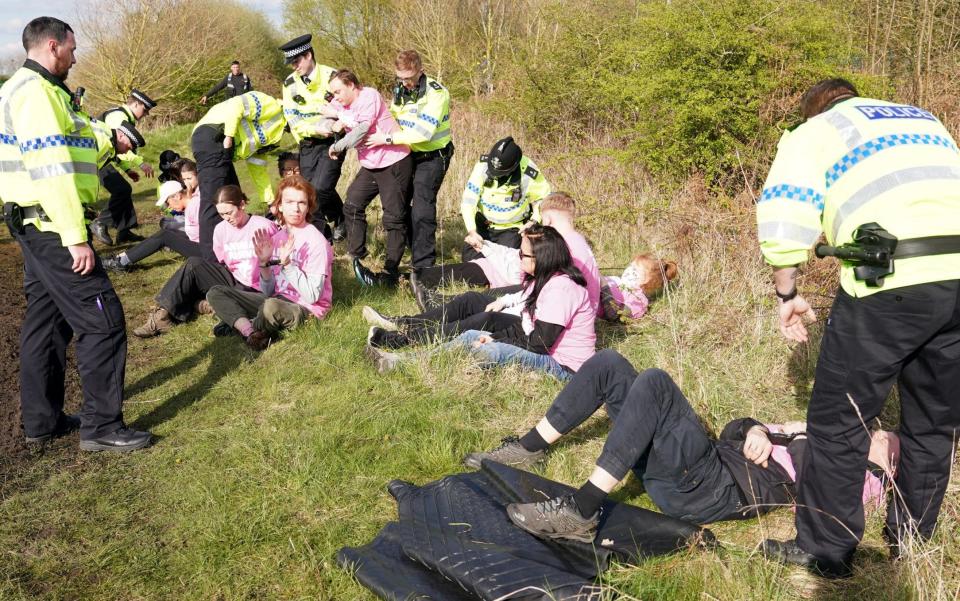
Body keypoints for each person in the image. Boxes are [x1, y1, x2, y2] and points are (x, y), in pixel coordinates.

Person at [754, 78, 960, 577]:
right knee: (933, 424)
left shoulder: (815, 131)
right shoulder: (922, 119)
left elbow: (784, 217)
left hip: (889, 279)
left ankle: (826, 550)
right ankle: (911, 542)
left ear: (813, 110)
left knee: (840, 420)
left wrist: (787, 292)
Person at [462, 351, 899, 544]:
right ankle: (528, 447)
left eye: (884, 442)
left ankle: (583, 508)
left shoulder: (860, 476)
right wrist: (757, 430)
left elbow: (832, 497)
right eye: (878, 430)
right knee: (612, 364)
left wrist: (869, 464)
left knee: (655, 383)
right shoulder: (817, 433)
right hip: (699, 464)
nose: (875, 435)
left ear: (888, 464)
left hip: (714, 490)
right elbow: (736, 428)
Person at [0, 16, 152, 451]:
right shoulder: (36, 94)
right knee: (102, 320)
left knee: (46, 324)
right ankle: (103, 427)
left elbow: (76, 138)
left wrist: (111, 139)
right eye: (72, 47)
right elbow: (52, 171)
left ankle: (42, 421)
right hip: (52, 226)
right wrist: (75, 235)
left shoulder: (34, 91)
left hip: (35, 224)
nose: (75, 54)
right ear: (53, 45)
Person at [365, 225, 596, 380]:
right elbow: (528, 325)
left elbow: (540, 344)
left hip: (563, 367)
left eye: (523, 255)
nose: (519, 257)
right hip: (541, 345)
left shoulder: (562, 288)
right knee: (471, 334)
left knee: (488, 349)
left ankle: (402, 361)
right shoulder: (545, 279)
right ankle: (403, 356)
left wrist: (496, 339)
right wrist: (494, 331)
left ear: (542, 258)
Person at [409, 192, 599, 312]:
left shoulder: (562, 245)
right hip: (560, 301)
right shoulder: (575, 240)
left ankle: (445, 303)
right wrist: (487, 248)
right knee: (482, 266)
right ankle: (419, 279)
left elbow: (526, 276)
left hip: (562, 308)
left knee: (515, 290)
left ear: (547, 220)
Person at [206, 176, 333, 350]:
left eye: (302, 203)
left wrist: (288, 265)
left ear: (308, 206)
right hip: (276, 299)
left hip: (306, 309)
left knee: (270, 307)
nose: (296, 208)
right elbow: (269, 291)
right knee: (216, 292)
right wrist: (264, 263)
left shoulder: (316, 242)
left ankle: (244, 326)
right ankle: (251, 332)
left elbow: (313, 296)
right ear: (280, 205)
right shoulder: (277, 238)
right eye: (289, 202)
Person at [133, 185, 277, 337]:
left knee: (201, 290)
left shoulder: (264, 226)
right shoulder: (221, 229)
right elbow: (222, 262)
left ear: (242, 204)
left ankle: (200, 305)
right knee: (194, 263)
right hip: (235, 281)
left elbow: (278, 266)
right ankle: (162, 315)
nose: (226, 218)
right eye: (221, 214)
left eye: (229, 213)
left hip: (260, 287)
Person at [366, 49, 454, 271]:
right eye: (400, 78)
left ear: (420, 71)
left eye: (409, 78)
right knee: (400, 205)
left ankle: (424, 267)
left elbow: (423, 134)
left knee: (422, 209)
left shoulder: (436, 93)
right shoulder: (400, 89)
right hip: (406, 153)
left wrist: (385, 139)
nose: (405, 83)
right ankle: (415, 248)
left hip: (433, 156)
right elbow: (393, 118)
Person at [323, 69, 413, 286]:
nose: (336, 97)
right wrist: (330, 123)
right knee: (352, 205)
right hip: (371, 164)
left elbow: (362, 129)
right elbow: (326, 113)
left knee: (393, 217)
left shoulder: (369, 96)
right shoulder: (341, 104)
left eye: (338, 91)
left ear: (352, 85)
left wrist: (339, 144)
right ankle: (356, 255)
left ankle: (391, 270)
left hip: (394, 161)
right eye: (333, 93)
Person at [191, 91, 286, 261]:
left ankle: (233, 250)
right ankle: (210, 263)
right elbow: (237, 105)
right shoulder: (270, 104)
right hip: (213, 137)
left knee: (233, 198)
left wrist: (270, 201)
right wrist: (228, 136)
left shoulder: (277, 131)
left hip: (224, 150)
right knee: (214, 204)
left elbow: (257, 166)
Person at [279, 34, 345, 241]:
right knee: (311, 188)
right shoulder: (289, 83)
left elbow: (347, 110)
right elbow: (293, 118)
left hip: (332, 141)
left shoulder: (332, 76)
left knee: (320, 188)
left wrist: (333, 123)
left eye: (297, 61)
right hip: (308, 141)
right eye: (292, 63)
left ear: (308, 55)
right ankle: (341, 219)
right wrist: (315, 129)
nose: (294, 67)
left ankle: (317, 235)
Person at [460, 136, 551, 262]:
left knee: (505, 262)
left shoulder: (528, 172)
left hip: (511, 229)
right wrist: (472, 231)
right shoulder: (482, 166)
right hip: (484, 225)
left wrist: (534, 221)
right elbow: (468, 201)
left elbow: (543, 198)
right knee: (470, 261)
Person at [89, 88, 157, 246]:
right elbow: (119, 144)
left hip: (103, 157)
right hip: (95, 158)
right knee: (122, 190)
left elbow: (116, 150)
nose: (146, 114)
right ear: (135, 104)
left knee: (124, 189)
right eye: (145, 110)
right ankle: (100, 222)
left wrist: (127, 169)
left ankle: (124, 231)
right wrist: (140, 162)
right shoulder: (118, 117)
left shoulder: (125, 117)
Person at [103, 171, 202, 272]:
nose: (169, 207)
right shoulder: (195, 202)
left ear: (177, 196)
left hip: (207, 254)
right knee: (168, 231)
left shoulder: (194, 207)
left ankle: (120, 262)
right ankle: (121, 258)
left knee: (165, 236)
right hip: (204, 247)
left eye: (168, 203)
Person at [599, 254, 678, 322]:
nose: (629, 272)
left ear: (650, 283)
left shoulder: (637, 299)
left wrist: (605, 287)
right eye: (631, 266)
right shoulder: (617, 279)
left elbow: (614, 315)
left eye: (635, 273)